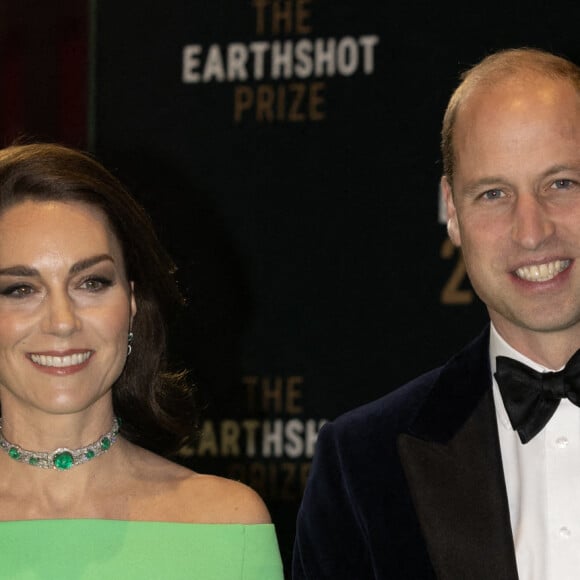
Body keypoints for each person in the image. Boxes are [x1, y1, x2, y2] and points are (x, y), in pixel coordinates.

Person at [293, 46, 580, 579]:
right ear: (452, 211)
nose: (533, 231)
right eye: (493, 194)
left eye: (561, 183)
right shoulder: (361, 465)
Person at [0, 141, 284, 579]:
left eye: (91, 283)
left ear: (131, 303)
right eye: (20, 289)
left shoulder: (225, 523)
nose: (62, 322)